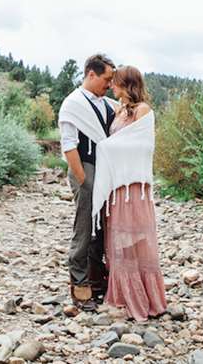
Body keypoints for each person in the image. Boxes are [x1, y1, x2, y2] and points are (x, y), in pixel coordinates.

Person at [93, 65, 167, 321]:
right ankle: (122, 294)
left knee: (135, 238)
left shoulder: (143, 110)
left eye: (116, 82)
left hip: (133, 186)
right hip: (117, 187)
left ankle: (143, 296)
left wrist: (107, 148)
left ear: (127, 84)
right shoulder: (120, 110)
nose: (112, 86)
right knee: (117, 240)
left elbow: (144, 145)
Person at [58, 54, 116, 311]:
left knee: (101, 227)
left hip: (105, 170)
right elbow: (68, 144)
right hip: (85, 167)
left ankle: (96, 278)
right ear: (91, 74)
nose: (110, 84)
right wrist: (83, 179)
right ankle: (79, 283)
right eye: (106, 79)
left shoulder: (108, 105)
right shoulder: (73, 104)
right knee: (84, 226)